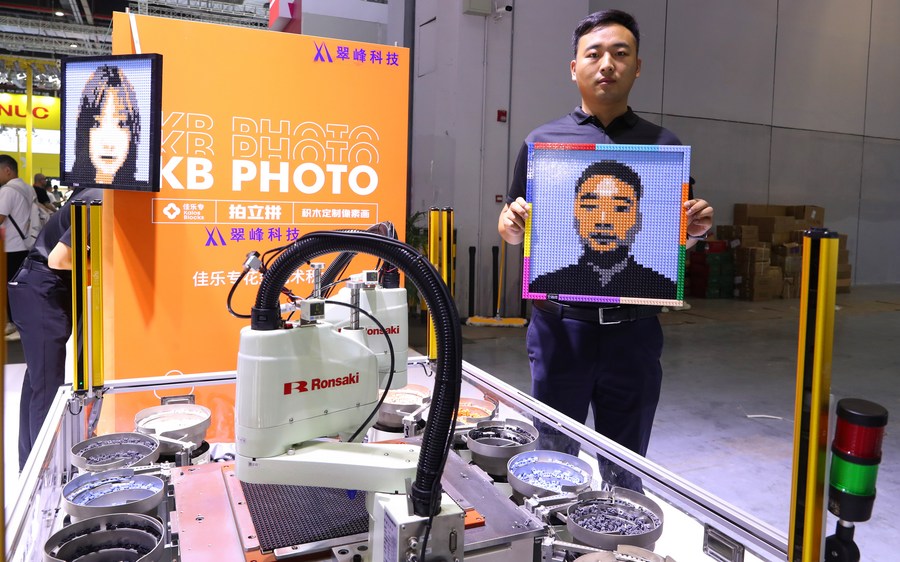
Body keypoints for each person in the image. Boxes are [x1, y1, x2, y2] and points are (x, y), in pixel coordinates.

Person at [498, 10, 713, 491]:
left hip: (633, 336)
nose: (607, 64)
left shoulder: (662, 146)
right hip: (560, 331)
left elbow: (675, 238)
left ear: (638, 67)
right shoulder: (542, 143)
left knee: (626, 468)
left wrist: (694, 231)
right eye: (593, 54)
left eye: (620, 53)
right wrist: (511, 229)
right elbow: (517, 227)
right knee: (552, 461)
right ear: (573, 67)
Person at [9, 187, 103, 470]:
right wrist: (103, 268)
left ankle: (30, 462)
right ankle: (44, 471)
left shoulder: (89, 192)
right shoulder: (96, 196)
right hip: (43, 289)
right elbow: (59, 259)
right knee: (47, 386)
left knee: (37, 381)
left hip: (37, 288)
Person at [529, 160, 677, 300]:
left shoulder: (662, 288)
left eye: (620, 208)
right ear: (575, 215)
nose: (603, 221)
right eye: (589, 206)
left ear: (638, 220)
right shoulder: (545, 285)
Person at [67, 64, 143, 188]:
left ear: (132, 132)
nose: (108, 144)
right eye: (97, 123)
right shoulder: (78, 194)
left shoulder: (141, 192)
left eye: (120, 123)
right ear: (84, 130)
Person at [0, 154, 37, 341]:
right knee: (20, 286)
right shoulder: (28, 188)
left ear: (7, 170)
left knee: (7, 286)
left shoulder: (7, 191)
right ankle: (23, 320)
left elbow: (0, 217)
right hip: (25, 245)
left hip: (9, 246)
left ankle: (13, 322)